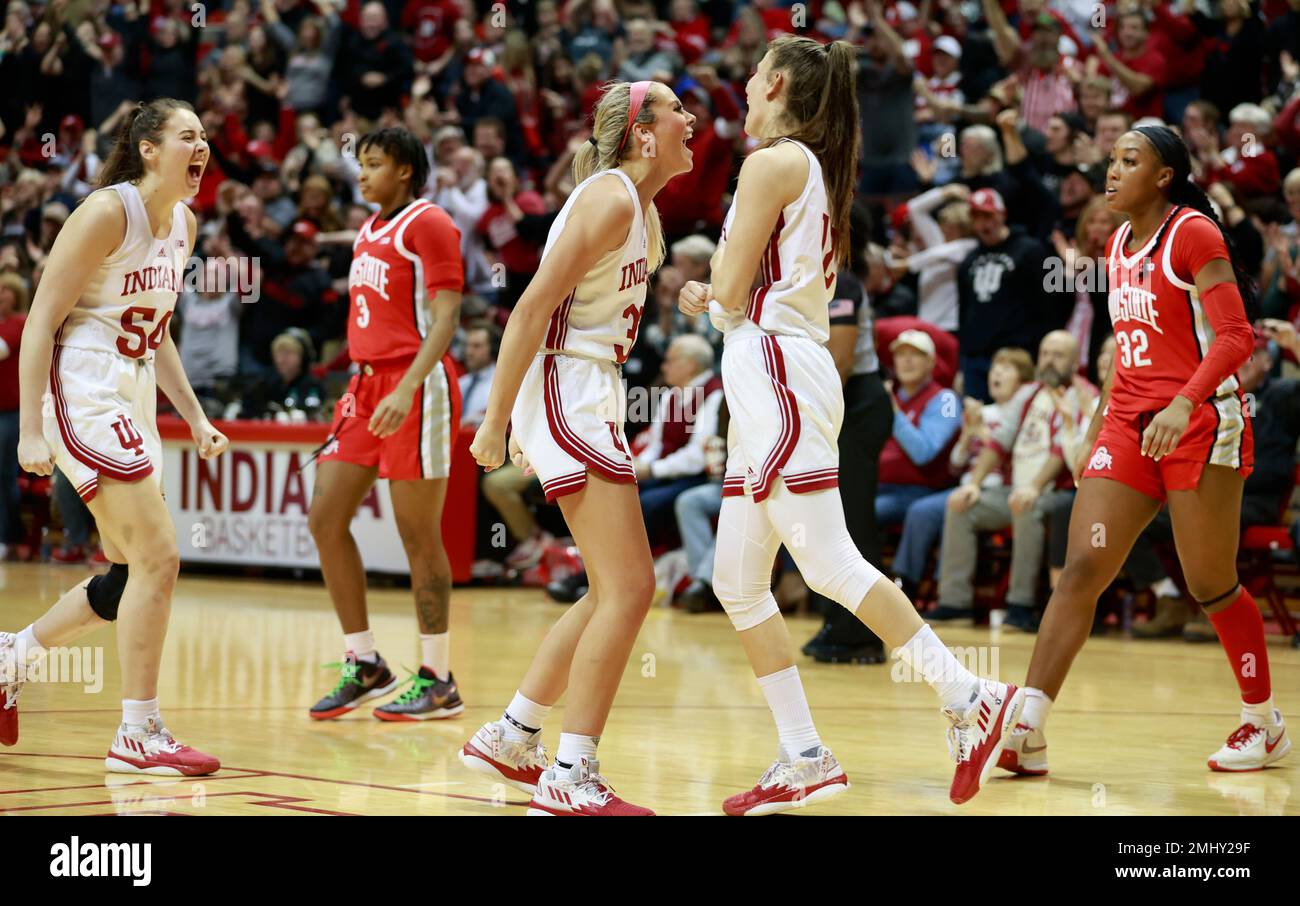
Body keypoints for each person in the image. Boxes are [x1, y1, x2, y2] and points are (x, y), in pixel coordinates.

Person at [679, 36, 1024, 815]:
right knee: (737, 580)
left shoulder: (772, 163)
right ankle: (803, 754)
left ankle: (967, 694)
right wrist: (719, 297)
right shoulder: (808, 164)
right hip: (770, 366)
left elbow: (731, 292)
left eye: (754, 73)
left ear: (774, 86)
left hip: (774, 368)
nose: (744, 83)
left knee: (831, 563)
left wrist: (703, 293)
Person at [1000, 125, 1290, 778]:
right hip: (1131, 425)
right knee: (1081, 567)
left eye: (1130, 161)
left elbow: (1238, 337)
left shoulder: (1192, 233)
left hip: (1201, 420)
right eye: (1110, 160)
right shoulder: (1118, 245)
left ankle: (1264, 722)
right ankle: (1028, 727)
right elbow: (1126, 354)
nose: (1112, 171)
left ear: (1164, 176)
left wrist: (1185, 402)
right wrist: (1096, 428)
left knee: (1210, 584)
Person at [458, 80, 695, 816]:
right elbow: (530, 307)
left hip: (586, 388)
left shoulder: (640, 209)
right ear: (642, 133)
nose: (692, 120)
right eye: (676, 111)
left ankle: (514, 733)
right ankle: (571, 773)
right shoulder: (611, 196)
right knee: (631, 589)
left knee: (610, 590)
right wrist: (496, 422)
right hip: (566, 383)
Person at [1, 99, 229, 774]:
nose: (202, 146)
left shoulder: (183, 222)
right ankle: (138, 732)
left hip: (129, 388)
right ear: (149, 148)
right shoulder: (107, 211)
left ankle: (12, 656)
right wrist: (32, 430)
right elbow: (41, 321)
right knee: (161, 556)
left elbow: (156, 338)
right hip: (85, 384)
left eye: (205, 136)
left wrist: (194, 416)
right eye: (187, 135)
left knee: (128, 575)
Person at [306, 127, 466, 723]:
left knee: (417, 534)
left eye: (374, 164)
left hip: (416, 384)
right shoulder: (368, 230)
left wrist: (405, 386)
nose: (362, 174)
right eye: (361, 164)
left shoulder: (429, 223)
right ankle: (365, 662)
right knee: (325, 518)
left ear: (404, 170)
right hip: (366, 385)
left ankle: (439, 678)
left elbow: (448, 318)